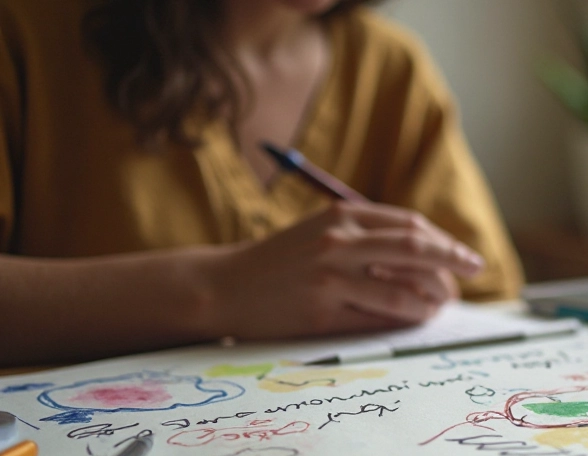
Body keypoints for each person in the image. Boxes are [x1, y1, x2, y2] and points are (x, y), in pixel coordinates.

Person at [0, 0, 524, 367]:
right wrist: (217, 291)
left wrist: (424, 292)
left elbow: (486, 294)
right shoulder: (27, 33)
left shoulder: (389, 67)